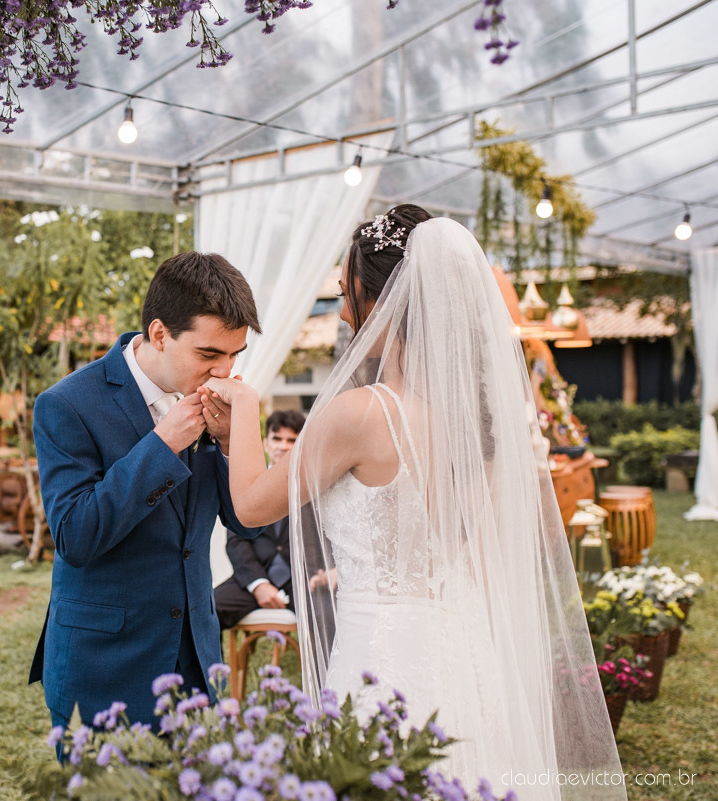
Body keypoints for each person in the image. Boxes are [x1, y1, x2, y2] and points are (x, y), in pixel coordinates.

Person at [202, 206, 625, 798]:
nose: (344, 313)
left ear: (384, 301)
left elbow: (249, 505)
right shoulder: (471, 422)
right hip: (464, 650)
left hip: (380, 655)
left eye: (347, 294)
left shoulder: (359, 415)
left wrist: (245, 410)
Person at [30, 251, 263, 733]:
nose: (224, 371)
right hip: (105, 663)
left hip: (195, 660)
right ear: (160, 334)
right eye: (209, 355)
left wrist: (227, 442)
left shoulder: (215, 399)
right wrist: (162, 445)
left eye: (234, 355)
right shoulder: (65, 405)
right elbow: (76, 537)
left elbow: (246, 521)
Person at [213, 409, 305, 629]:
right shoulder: (249, 483)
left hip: (302, 584)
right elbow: (236, 541)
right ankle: (217, 666)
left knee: (331, 616)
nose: (283, 446)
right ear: (266, 443)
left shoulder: (314, 487)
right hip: (253, 579)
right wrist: (259, 584)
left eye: (292, 440)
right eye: (277, 439)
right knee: (207, 610)